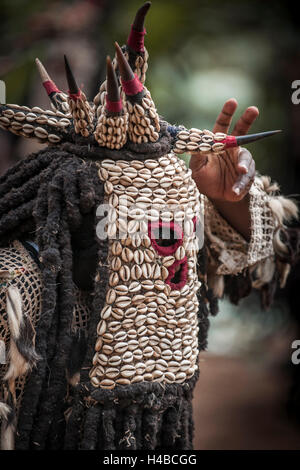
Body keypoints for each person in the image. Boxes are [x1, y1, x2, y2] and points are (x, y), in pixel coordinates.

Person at [0, 2, 298, 450]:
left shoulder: (170, 249)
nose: (171, 245)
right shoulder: (15, 284)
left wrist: (223, 197)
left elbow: (257, 252)